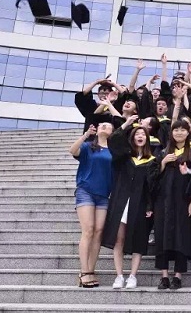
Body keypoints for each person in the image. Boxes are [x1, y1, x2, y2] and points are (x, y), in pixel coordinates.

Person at [148, 120, 191, 290]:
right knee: (162, 237)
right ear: (171, 133)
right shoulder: (162, 153)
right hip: (163, 203)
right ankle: (164, 276)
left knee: (182, 237)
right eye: (176, 130)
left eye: (182, 130)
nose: (179, 132)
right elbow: (151, 180)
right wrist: (163, 163)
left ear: (188, 133)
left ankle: (178, 276)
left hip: (183, 202)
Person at [101, 118, 154, 290]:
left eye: (143, 134)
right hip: (121, 202)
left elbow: (151, 187)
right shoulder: (123, 157)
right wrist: (126, 124)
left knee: (138, 239)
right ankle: (119, 275)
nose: (140, 136)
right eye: (137, 134)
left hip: (140, 204)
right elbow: (113, 140)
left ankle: (132, 276)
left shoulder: (152, 160)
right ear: (132, 138)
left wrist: (150, 206)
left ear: (147, 138)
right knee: (119, 239)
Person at [69, 122, 113, 288]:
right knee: (88, 230)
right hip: (86, 191)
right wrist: (86, 135)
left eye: (107, 125)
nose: (103, 127)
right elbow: (72, 150)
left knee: (98, 232)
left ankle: (91, 270)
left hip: (104, 194)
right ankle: (84, 271)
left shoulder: (114, 150)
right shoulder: (88, 146)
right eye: (101, 125)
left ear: (112, 131)